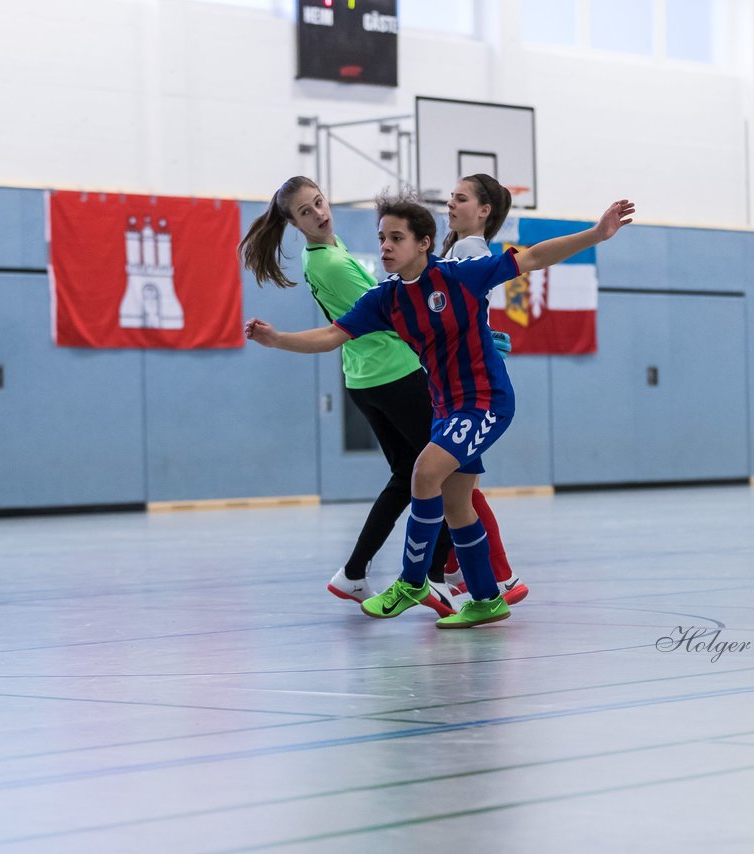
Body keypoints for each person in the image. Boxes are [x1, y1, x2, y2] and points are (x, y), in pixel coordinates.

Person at [244, 189, 636, 628]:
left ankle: (413, 581)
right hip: (446, 407)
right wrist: (277, 339)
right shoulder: (385, 298)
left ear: (424, 243)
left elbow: (533, 258)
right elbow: (332, 336)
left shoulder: (461, 275)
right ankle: (487, 598)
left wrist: (599, 233)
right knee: (457, 505)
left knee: (424, 472)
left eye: (397, 238)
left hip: (486, 401)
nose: (386, 247)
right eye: (382, 238)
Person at [238, 176, 459, 616]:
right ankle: (433, 578)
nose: (319, 213)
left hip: (365, 379)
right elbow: (390, 315)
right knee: (449, 472)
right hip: (395, 377)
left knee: (405, 478)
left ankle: (354, 573)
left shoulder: (322, 254)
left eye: (319, 202)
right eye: (306, 211)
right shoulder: (332, 265)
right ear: (294, 222)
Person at [439, 173, 527, 604]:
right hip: (461, 378)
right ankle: (462, 568)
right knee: (457, 483)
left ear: (484, 210)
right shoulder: (465, 249)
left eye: (460, 198)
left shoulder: (466, 249)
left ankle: (498, 577)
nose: (451, 205)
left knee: (455, 484)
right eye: (450, 198)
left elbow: (457, 311)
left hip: (466, 385)